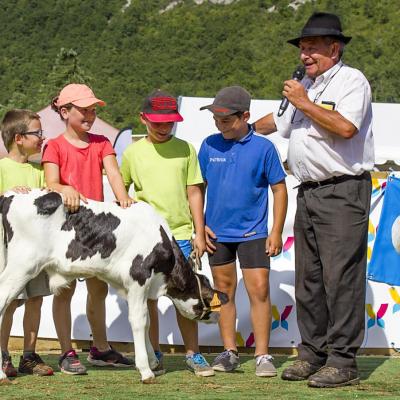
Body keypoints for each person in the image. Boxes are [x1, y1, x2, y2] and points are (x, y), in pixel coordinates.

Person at [253, 12, 374, 388]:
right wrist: (242, 127)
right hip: (308, 191)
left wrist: (304, 101)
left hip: (343, 190)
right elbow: (281, 121)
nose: (305, 55)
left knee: (341, 278)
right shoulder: (305, 84)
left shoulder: (352, 81)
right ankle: (312, 353)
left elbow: (344, 127)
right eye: (303, 49)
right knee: (310, 280)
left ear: (333, 48)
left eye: (312, 49)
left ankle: (343, 361)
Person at [120, 89, 214, 377]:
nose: (163, 128)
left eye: (168, 123)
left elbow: (195, 191)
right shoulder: (132, 152)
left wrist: (199, 232)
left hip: (182, 235)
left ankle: (193, 354)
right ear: (143, 119)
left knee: (186, 294)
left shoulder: (186, 149)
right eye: (157, 122)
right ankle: (154, 352)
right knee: (147, 299)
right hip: (146, 240)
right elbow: (121, 191)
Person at [42, 83, 134, 375]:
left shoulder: (102, 142)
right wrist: (64, 188)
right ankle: (66, 351)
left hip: (96, 227)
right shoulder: (54, 145)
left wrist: (124, 199)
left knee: (99, 288)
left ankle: (100, 348)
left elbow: (115, 175)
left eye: (93, 110)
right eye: (84, 110)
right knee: (64, 291)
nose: (90, 115)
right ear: (64, 111)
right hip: (63, 229)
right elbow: (50, 184)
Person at [198, 86, 288, 377]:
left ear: (245, 116)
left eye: (226, 120)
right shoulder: (208, 145)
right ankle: (229, 352)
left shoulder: (264, 147)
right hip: (217, 235)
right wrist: (200, 226)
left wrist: (275, 231)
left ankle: (263, 355)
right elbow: (197, 190)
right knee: (222, 293)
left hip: (254, 234)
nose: (219, 126)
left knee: (260, 290)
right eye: (216, 120)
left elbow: (279, 189)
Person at [0, 109, 53, 377]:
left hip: (37, 250)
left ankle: (29, 356)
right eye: (38, 133)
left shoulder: (39, 171)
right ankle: (3, 355)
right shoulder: (1, 167)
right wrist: (6, 194)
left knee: (36, 300)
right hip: (9, 249)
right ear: (19, 137)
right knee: (8, 301)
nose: (42, 138)